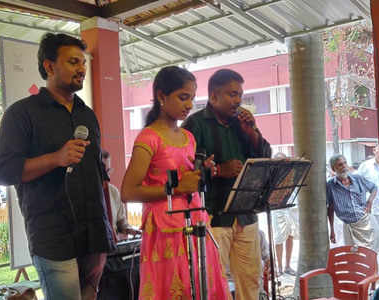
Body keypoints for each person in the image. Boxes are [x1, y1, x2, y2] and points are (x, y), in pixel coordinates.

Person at [0, 33, 115, 300]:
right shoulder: (22, 114)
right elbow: (2, 171)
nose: (82, 69)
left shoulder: (87, 114)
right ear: (49, 66)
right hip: (53, 236)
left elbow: (99, 175)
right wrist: (55, 158)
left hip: (94, 235)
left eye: (83, 63)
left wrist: (109, 226)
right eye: (73, 62)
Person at [121, 66, 231, 300]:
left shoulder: (188, 137)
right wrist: (177, 188)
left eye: (192, 97)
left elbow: (186, 177)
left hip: (196, 222)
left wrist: (203, 172)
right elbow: (128, 192)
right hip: (166, 227)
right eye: (183, 97)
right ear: (162, 96)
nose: (189, 104)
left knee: (202, 286)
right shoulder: (148, 138)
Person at [182, 68, 271, 300]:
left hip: (246, 214)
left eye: (240, 94)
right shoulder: (195, 125)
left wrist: (252, 132)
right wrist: (219, 170)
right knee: (213, 283)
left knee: (251, 279)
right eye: (232, 94)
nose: (238, 100)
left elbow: (265, 157)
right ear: (213, 96)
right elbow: (184, 171)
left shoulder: (241, 124)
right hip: (213, 215)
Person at [327, 154, 377, 248]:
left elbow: (374, 188)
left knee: (371, 253)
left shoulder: (358, 178)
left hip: (366, 222)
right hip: (349, 226)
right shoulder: (331, 185)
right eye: (340, 165)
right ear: (334, 169)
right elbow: (330, 208)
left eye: (345, 163)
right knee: (353, 256)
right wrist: (332, 230)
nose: (344, 166)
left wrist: (369, 202)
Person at [101, 149, 140, 240]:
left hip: (113, 244)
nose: (107, 176)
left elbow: (121, 222)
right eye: (103, 172)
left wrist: (129, 230)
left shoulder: (113, 191)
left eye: (109, 171)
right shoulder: (83, 193)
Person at [271, 152, 298, 277]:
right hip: (277, 209)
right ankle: (279, 267)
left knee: (290, 236)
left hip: (290, 207)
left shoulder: (290, 173)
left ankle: (287, 266)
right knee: (278, 238)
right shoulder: (272, 175)